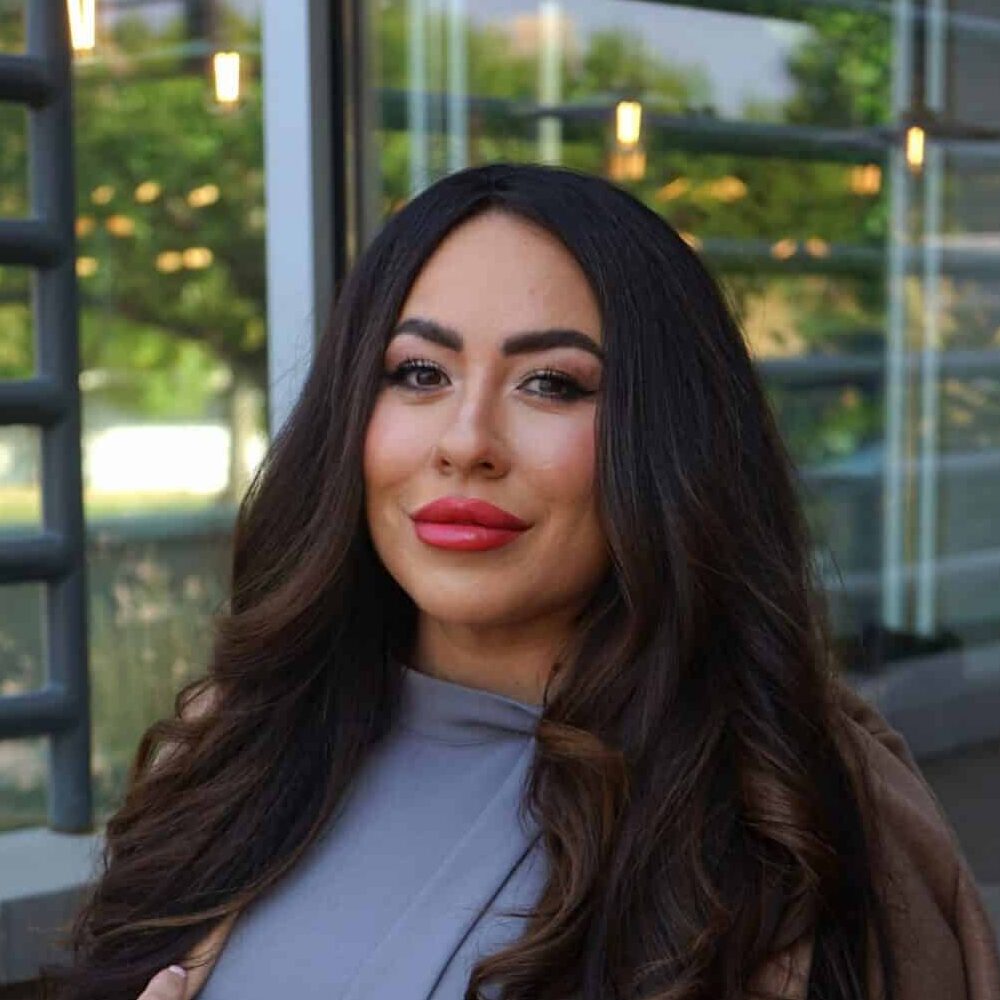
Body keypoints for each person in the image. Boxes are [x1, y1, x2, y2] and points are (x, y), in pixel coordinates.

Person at [45, 163, 1000, 1000]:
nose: (466, 443)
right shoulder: (226, 754)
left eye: (552, 383)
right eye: (418, 373)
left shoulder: (790, 812)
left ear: (664, 442)